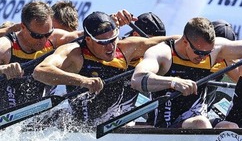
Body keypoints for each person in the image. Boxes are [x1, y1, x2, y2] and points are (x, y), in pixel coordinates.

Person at [130, 17, 242, 129]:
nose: (204, 57)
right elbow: (137, 79)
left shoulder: (214, 51)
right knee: (201, 123)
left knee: (230, 127)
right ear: (184, 42)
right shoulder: (163, 53)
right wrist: (173, 82)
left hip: (198, 121)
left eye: (207, 53)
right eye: (199, 53)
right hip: (164, 124)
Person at [32, 11, 177, 126]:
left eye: (113, 39)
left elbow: (172, 42)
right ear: (88, 40)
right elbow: (40, 71)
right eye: (103, 42)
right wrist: (82, 81)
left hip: (110, 125)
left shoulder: (126, 48)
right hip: (78, 128)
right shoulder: (74, 53)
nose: (110, 47)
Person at [0, 0, 80, 109]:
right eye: (37, 35)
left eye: (47, 34)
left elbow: (88, 36)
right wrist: (2, 69)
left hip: (34, 115)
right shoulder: (5, 46)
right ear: (23, 27)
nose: (43, 40)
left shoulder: (54, 39)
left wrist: (109, 23)